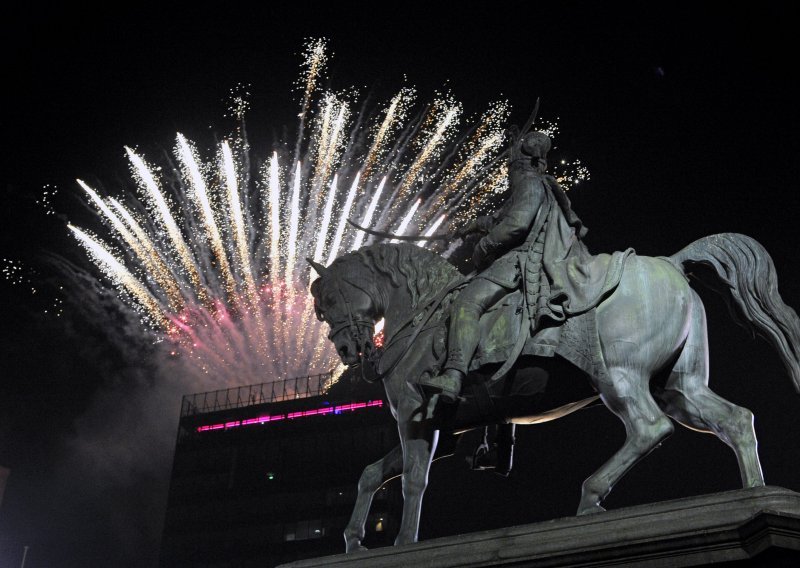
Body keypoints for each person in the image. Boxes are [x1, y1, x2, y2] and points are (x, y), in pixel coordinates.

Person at [422, 129, 587, 403]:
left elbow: (516, 224)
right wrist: (471, 226)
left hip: (518, 260)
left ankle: (453, 376)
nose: (509, 177)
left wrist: (483, 247)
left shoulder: (529, 184)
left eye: (510, 171)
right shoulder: (538, 186)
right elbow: (502, 215)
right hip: (523, 257)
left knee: (465, 304)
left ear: (518, 168)